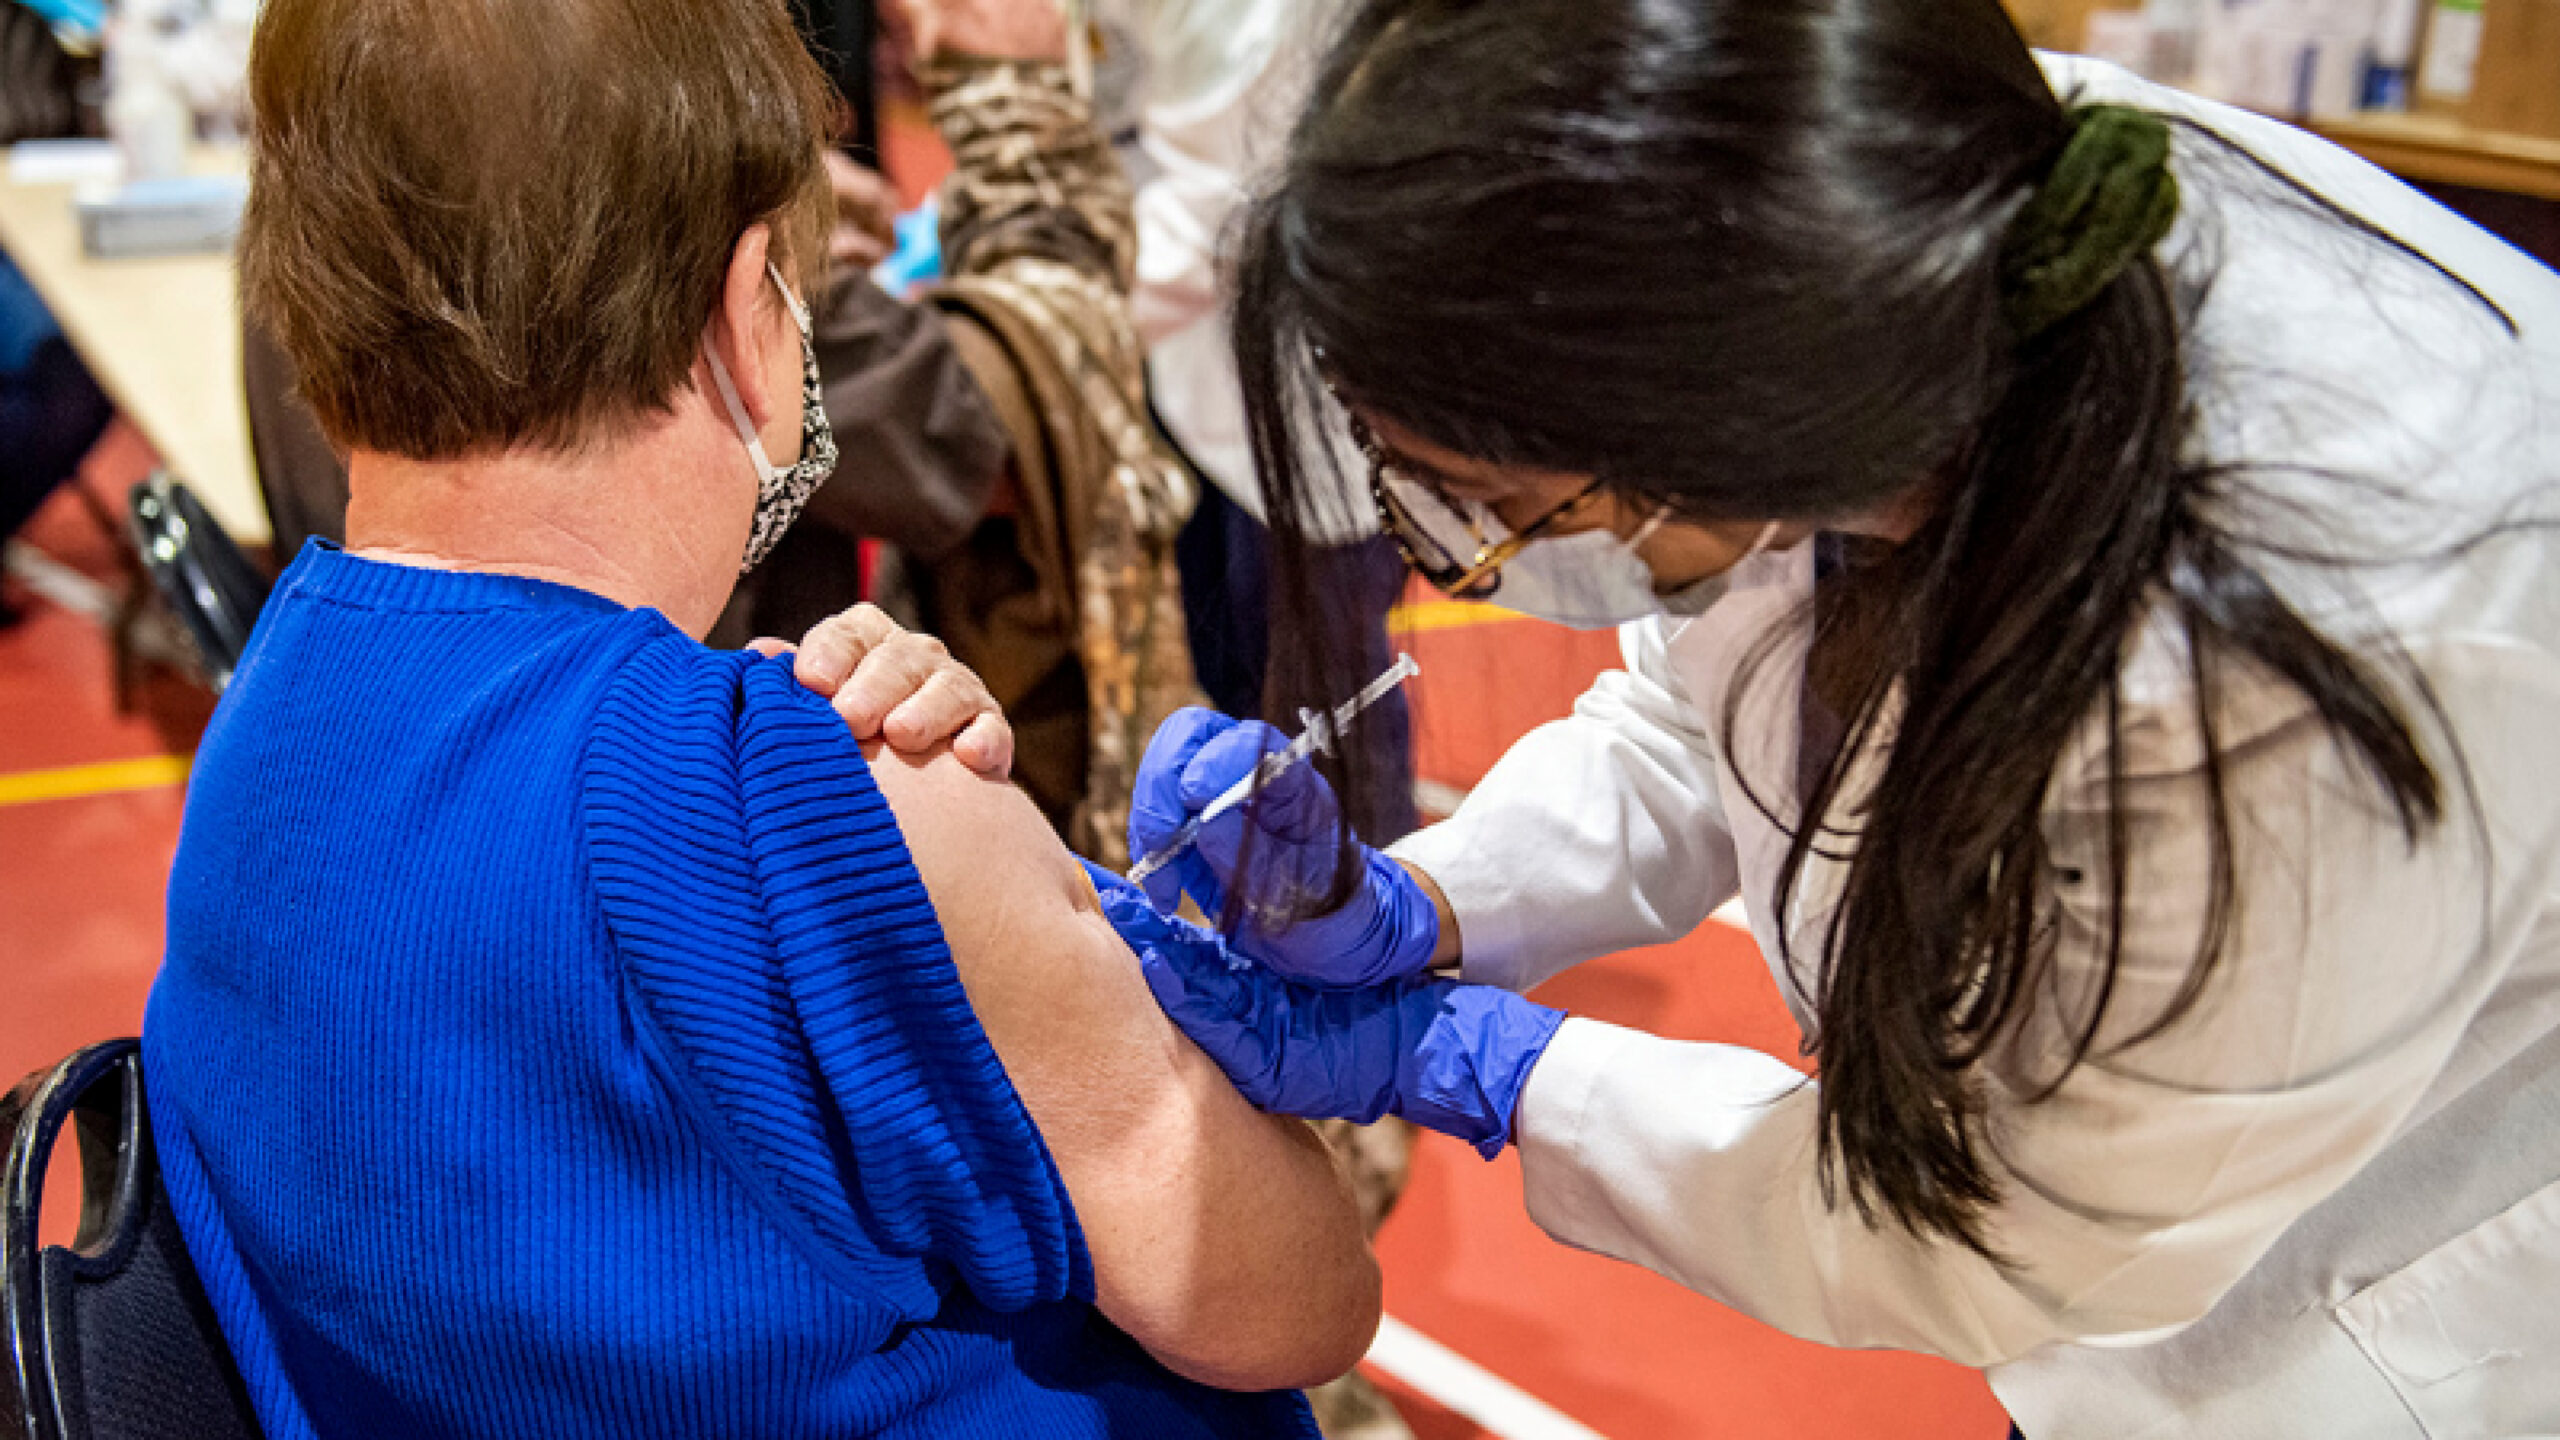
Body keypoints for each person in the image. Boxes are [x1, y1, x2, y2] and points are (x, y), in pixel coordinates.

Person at [1123, 1, 2560, 1436]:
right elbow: (1715, 703)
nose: (1462, 554)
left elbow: (2013, 1237)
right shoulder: (1817, 235)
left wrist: (1479, 1065)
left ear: (1698, 440)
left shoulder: (2320, 664)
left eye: (1487, 506)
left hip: (2376, 1278)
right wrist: (1425, 902)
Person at [141, 0, 1380, 1436]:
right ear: (749, 311)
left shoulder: (263, 716)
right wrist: (1061, 911)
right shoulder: (832, 801)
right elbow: (1308, 1294)